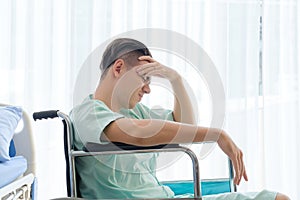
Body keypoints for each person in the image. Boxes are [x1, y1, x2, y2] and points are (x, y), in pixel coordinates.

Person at [70, 38, 289, 199]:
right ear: (118, 68)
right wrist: (216, 134)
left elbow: (185, 127)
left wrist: (175, 79)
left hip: (165, 196)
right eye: (144, 78)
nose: (147, 89)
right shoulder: (87, 112)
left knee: (277, 198)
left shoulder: (137, 112)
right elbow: (138, 132)